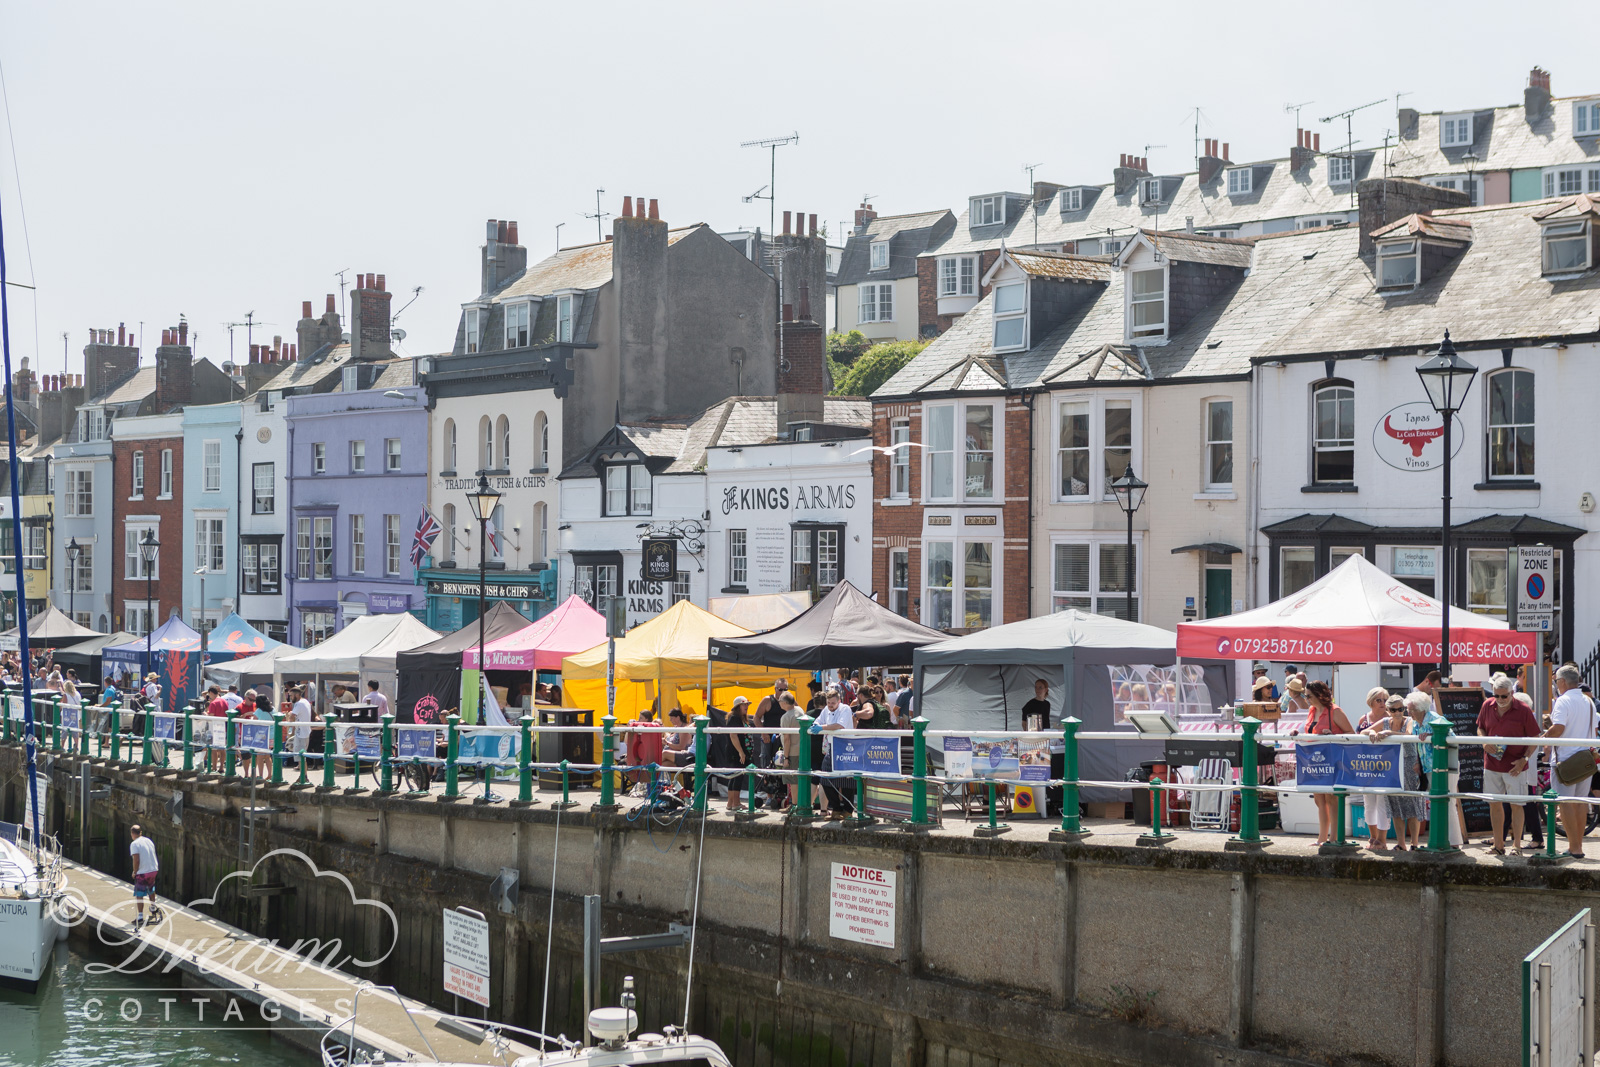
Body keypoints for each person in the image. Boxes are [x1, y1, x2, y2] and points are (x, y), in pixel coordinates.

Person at [1475, 672, 1539, 855]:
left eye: (1504, 696)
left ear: (1512, 693)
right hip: (1492, 764)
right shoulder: (1487, 705)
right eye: (1496, 695)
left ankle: (1517, 846)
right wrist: (1484, 741)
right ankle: (1498, 845)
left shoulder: (1523, 709)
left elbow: (1535, 737)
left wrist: (1524, 760)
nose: (1500, 699)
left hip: (1515, 766)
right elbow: (1480, 727)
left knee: (1516, 805)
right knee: (1494, 804)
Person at [1541, 664, 1596, 859]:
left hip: (1565, 761)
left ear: (1562, 682)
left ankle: (1574, 848)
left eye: (1556, 681)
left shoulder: (1563, 701)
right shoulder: (1588, 701)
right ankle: (1577, 846)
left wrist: (1543, 737)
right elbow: (1594, 729)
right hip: (1586, 760)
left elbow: (1558, 729)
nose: (1556, 685)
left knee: (1565, 803)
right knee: (1580, 803)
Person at [1368, 693, 1426, 850]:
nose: (1398, 712)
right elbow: (1364, 732)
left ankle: (1414, 843)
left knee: (1413, 803)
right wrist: (1373, 732)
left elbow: (1407, 735)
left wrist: (1388, 733)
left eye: (1401, 709)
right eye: (1394, 710)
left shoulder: (1409, 720)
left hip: (1410, 764)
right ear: (1388, 710)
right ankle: (1401, 844)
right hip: (1392, 766)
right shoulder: (1385, 721)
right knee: (1395, 805)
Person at [1302, 680, 1353, 846]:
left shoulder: (1335, 711)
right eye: (1305, 695)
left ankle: (1334, 838)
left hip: (1333, 758)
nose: (1306, 698)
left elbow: (1350, 733)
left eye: (1308, 695)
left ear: (1319, 695)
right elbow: (1309, 731)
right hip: (1315, 760)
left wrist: (1332, 735)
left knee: (1332, 799)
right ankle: (1322, 838)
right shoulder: (1312, 711)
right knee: (1319, 799)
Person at [1356, 687, 1394, 850]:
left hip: (1386, 765)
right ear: (1371, 701)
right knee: (1369, 802)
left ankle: (1382, 840)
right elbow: (1358, 737)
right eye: (1379, 700)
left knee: (1382, 802)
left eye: (1385, 700)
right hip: (1367, 764)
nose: (1383, 703)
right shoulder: (1363, 719)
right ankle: (1372, 838)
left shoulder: (1391, 718)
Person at [811, 686, 855, 816]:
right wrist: (815, 725)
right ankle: (836, 808)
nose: (830, 706)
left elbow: (839, 726)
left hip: (846, 748)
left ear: (839, 701)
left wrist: (821, 728)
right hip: (831, 747)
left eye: (833, 703)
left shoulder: (845, 709)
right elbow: (818, 721)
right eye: (828, 703)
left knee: (847, 781)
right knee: (825, 778)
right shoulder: (826, 709)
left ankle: (848, 811)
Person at [128, 824, 162, 930]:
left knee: (139, 893)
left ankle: (140, 916)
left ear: (132, 834)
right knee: (151, 888)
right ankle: (152, 907)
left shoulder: (134, 844)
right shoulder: (148, 840)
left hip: (143, 872)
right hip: (153, 869)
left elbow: (136, 859)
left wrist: (135, 872)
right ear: (140, 832)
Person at [724, 697, 756, 811]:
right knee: (737, 777)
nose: (746, 707)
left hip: (739, 751)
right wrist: (741, 752)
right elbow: (733, 735)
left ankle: (731, 803)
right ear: (738, 707)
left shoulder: (740, 718)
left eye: (747, 704)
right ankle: (735, 803)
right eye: (744, 705)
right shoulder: (734, 718)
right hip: (736, 752)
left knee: (735, 776)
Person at [777, 691, 802, 808]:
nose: (779, 703)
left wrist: (786, 757)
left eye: (780, 701)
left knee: (793, 781)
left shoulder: (786, 717)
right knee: (800, 779)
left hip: (792, 752)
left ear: (785, 702)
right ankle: (798, 804)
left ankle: (794, 805)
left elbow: (787, 739)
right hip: (802, 750)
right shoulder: (800, 711)